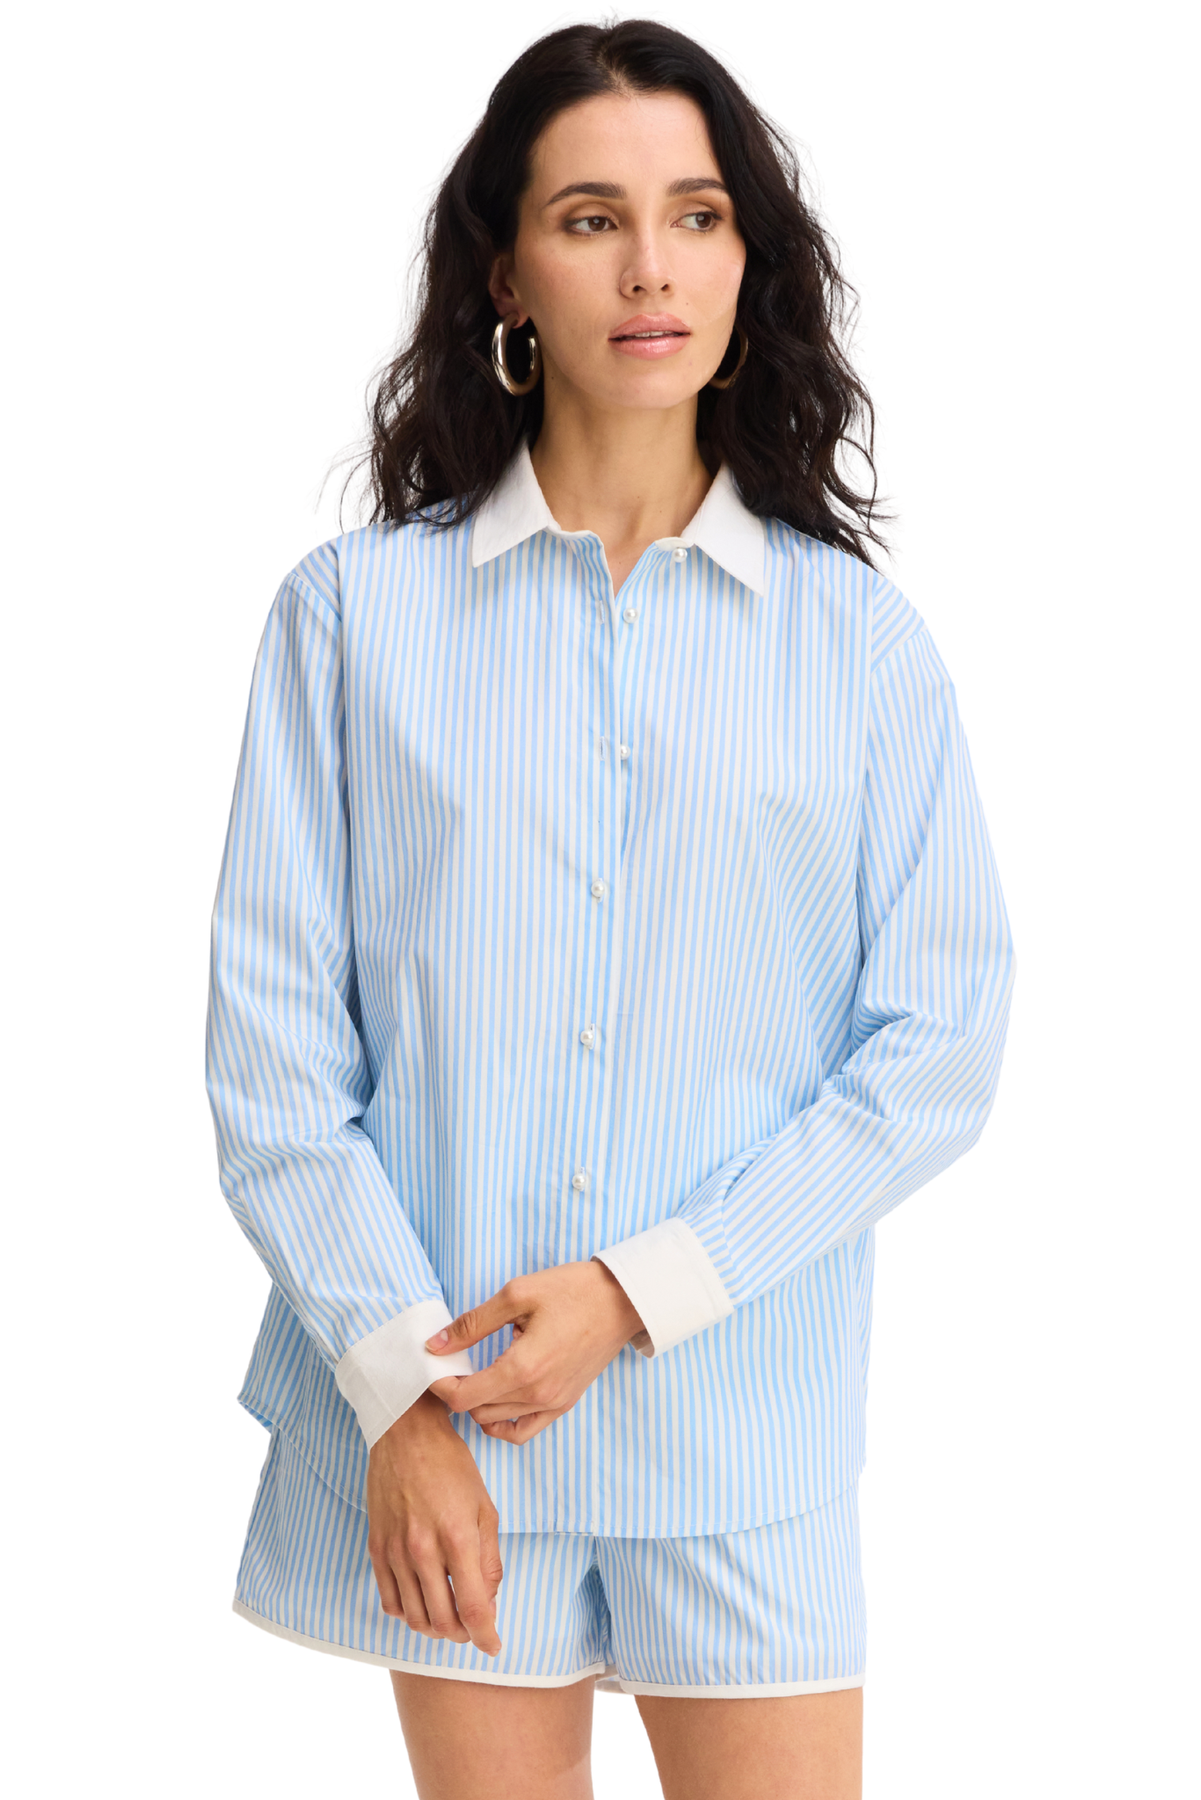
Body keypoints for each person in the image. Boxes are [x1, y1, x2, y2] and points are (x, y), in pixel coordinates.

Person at [204, 19, 1014, 1799]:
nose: (652, 266)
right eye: (591, 218)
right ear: (507, 271)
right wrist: (398, 1393)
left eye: (695, 215)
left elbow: (939, 1048)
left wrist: (641, 1294)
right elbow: (274, 1064)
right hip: (454, 1429)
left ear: (745, 262)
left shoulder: (860, 648)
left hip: (746, 1433)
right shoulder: (351, 624)